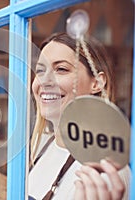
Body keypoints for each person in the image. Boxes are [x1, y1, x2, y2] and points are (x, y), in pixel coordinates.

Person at [28, 32, 130, 200]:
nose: (44, 81)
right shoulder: (43, 144)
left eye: (61, 69)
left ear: (96, 82)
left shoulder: (104, 174)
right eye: (40, 70)